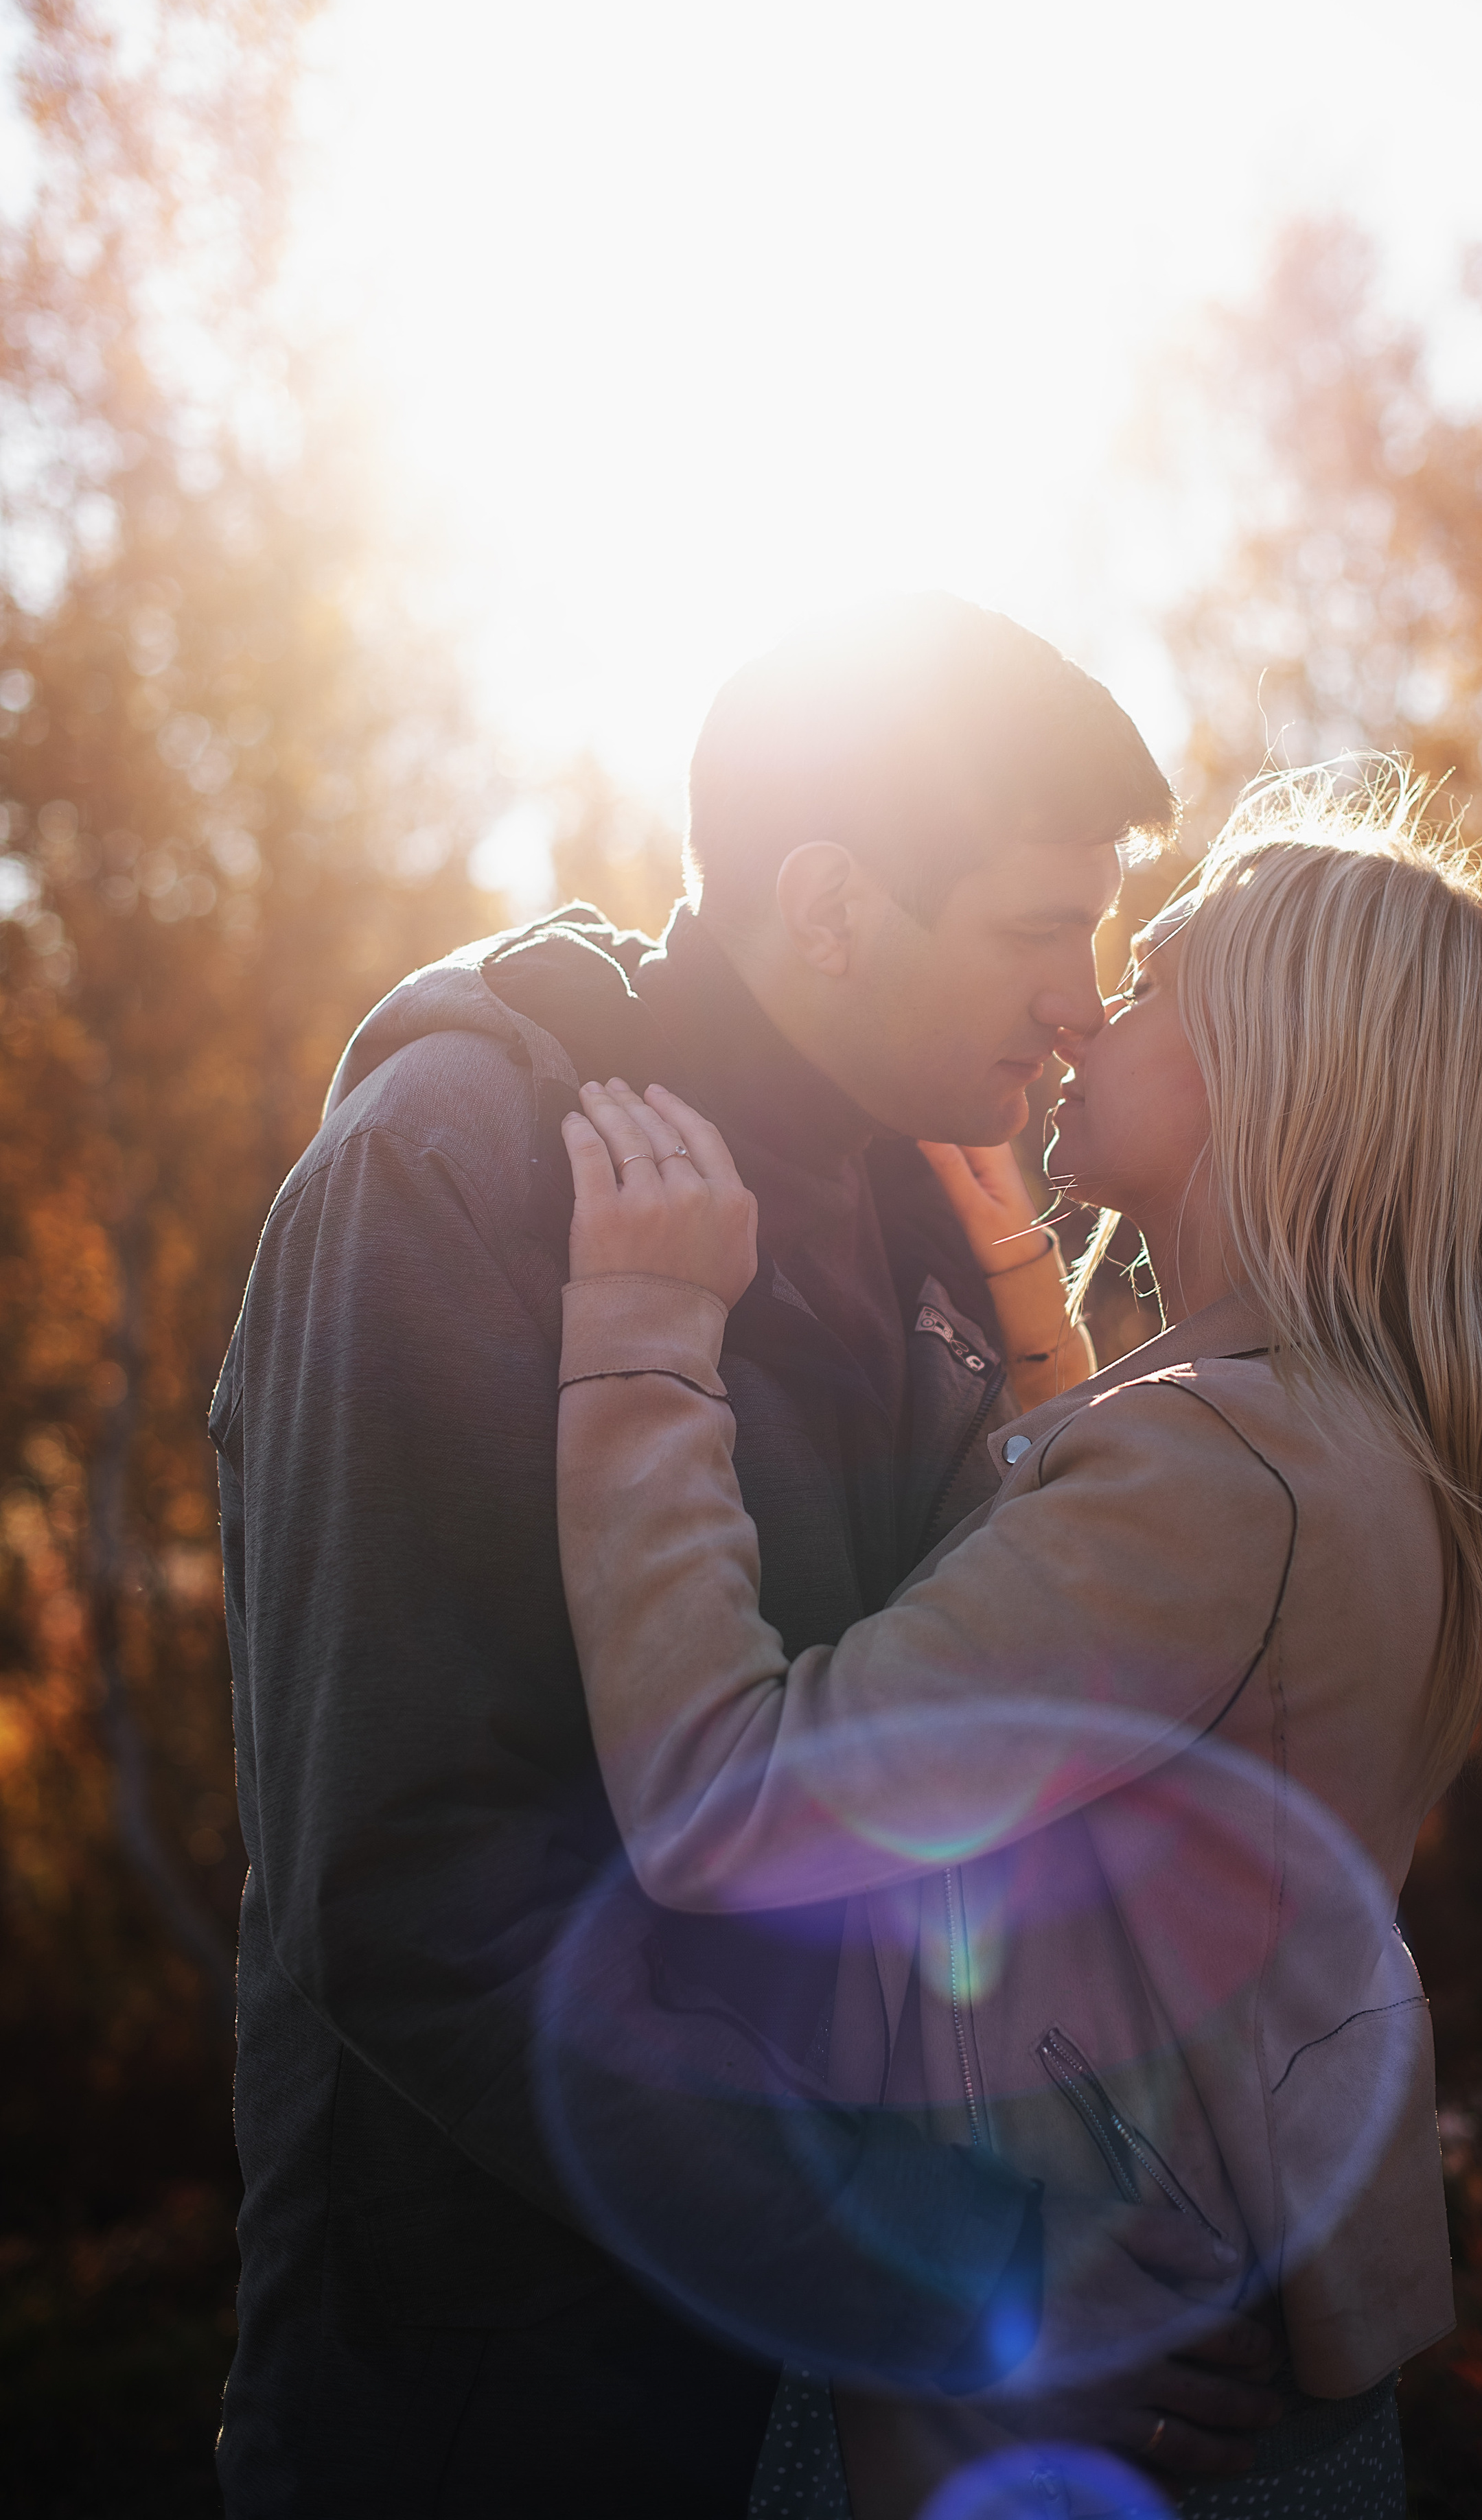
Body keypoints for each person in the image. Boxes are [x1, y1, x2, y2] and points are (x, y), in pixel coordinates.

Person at [209, 594, 1282, 2518]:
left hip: (838, 2412)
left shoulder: (925, 1201)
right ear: (831, 905)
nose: (1081, 1001)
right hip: (502, 2414)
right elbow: (416, 1893)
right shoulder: (449, 1172)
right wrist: (958, 2272)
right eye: (1037, 929)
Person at [546, 767, 1482, 2519]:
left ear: (1270, 1074)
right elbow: (1135, 1665)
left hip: (1058, 2409)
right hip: (1222, 2355)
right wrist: (1017, 1274)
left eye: (1147, 986)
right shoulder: (1363, 1445)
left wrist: (641, 1337)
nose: (1080, 1016)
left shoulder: (1211, 1477)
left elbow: (727, 1804)